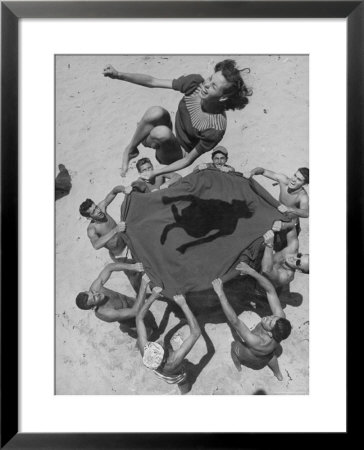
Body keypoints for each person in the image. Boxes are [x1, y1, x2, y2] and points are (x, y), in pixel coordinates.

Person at [103, 60, 252, 177]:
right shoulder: (195, 85)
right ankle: (130, 150)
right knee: (156, 112)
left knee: (161, 133)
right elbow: (153, 82)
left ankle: (150, 138)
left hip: (177, 153)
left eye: (213, 86)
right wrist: (118, 75)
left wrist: (155, 172)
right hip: (173, 129)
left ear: (223, 96)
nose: (206, 85)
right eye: (210, 78)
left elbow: (188, 160)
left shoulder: (215, 127)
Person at [212, 262, 292, 380]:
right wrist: (251, 271)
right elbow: (270, 290)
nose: (267, 317)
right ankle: (278, 374)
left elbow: (235, 321)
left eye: (269, 322)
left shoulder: (256, 341)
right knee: (270, 357)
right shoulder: (280, 322)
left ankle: (238, 366)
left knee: (234, 347)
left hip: (251, 355)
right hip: (268, 353)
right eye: (272, 317)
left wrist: (220, 293)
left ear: (270, 333)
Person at [136, 287, 201, 393]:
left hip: (159, 372)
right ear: (165, 358)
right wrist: (184, 305)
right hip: (175, 376)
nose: (159, 342)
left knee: (167, 342)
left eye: (155, 344)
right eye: (160, 347)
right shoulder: (173, 361)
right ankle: (185, 389)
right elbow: (196, 333)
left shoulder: (146, 352)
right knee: (182, 381)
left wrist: (153, 297)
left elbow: (139, 318)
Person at [75, 265, 152, 337]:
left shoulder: (95, 288)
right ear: (94, 307)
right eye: (94, 298)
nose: (97, 293)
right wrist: (143, 285)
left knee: (148, 314)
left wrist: (132, 266)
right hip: (131, 319)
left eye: (92, 292)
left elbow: (109, 268)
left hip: (132, 302)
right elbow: (135, 311)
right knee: (148, 333)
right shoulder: (106, 313)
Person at [79, 185, 132, 261]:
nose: (98, 211)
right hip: (120, 254)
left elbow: (114, 191)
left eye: (96, 207)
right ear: (89, 218)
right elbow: (96, 245)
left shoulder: (102, 208)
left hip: (127, 241)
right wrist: (115, 230)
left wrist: (123, 189)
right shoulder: (92, 229)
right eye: (94, 212)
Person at [261, 222, 309, 288]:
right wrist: (282, 225)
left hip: (257, 283)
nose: (295, 258)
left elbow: (266, 270)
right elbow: (292, 227)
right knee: (292, 219)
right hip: (263, 259)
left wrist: (269, 244)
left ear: (298, 270)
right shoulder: (293, 249)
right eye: (299, 256)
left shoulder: (286, 276)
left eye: (298, 262)